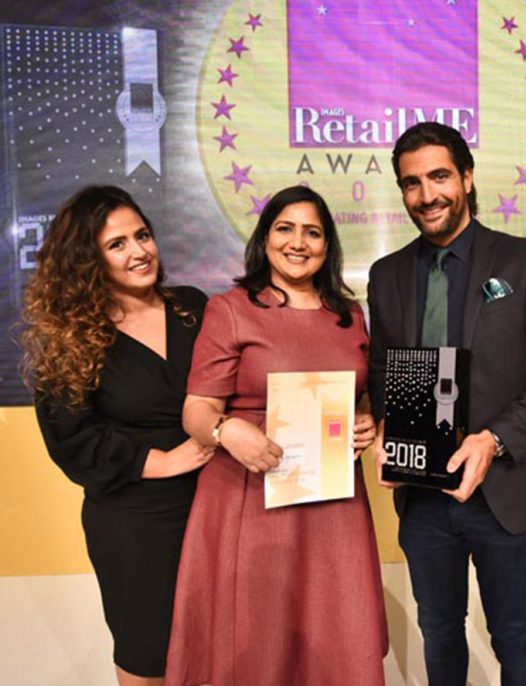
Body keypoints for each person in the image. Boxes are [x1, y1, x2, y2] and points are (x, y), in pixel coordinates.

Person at [367, 121, 526, 685]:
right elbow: (384, 370)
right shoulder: (386, 275)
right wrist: (389, 427)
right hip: (424, 498)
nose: (426, 195)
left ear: (465, 177)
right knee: (439, 631)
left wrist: (494, 440)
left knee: (515, 634)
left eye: (439, 176)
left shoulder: (524, 261)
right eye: (411, 183)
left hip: (506, 491)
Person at [164, 185, 388, 686]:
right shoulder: (232, 309)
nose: (298, 242)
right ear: (265, 238)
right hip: (251, 498)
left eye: (313, 232)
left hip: (334, 506)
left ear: (328, 246)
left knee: (337, 635)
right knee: (257, 642)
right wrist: (226, 430)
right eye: (285, 228)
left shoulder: (348, 314)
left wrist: (368, 422)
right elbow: (196, 409)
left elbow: (361, 392)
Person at [21, 185, 213, 686]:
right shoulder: (73, 337)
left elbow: (244, 383)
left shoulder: (193, 308)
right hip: (136, 522)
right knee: (149, 658)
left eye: (142, 235)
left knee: (215, 652)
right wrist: (161, 461)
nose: (139, 251)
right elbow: (70, 439)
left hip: (215, 508)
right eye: (117, 244)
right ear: (89, 261)